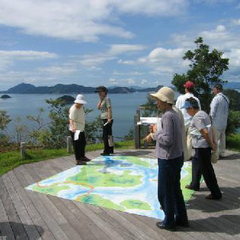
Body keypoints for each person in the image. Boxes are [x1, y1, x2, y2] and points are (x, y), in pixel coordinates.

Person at [145, 87, 188, 231]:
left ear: (164, 101)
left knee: (164, 192)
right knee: (175, 189)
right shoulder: (174, 114)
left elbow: (168, 140)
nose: (156, 103)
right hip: (176, 157)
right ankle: (181, 218)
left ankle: (169, 221)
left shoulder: (167, 116)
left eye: (158, 100)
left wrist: (155, 134)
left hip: (168, 159)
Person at [182, 97, 222, 200]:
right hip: (200, 147)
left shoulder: (197, 117)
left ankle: (216, 193)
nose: (186, 112)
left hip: (202, 147)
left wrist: (211, 144)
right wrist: (212, 141)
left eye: (187, 109)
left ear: (191, 108)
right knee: (196, 163)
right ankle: (195, 184)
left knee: (207, 171)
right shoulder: (204, 113)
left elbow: (205, 132)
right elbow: (210, 128)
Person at [176, 81, 201, 161]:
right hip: (192, 121)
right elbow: (199, 111)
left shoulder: (180, 98)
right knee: (190, 139)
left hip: (181, 121)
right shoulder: (196, 99)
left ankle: (181, 155)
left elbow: (176, 109)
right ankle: (187, 156)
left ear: (186, 88)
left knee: (182, 139)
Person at [69, 94, 90, 165]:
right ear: (77, 102)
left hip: (81, 128)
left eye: (82, 103)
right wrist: (73, 127)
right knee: (77, 144)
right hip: (76, 130)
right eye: (80, 103)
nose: (81, 105)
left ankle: (82, 156)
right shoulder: (73, 109)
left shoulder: (81, 107)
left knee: (83, 143)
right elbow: (71, 120)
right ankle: (78, 159)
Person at [210, 83, 229, 158]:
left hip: (217, 122)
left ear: (217, 89)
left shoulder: (216, 98)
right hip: (224, 122)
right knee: (222, 138)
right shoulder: (226, 99)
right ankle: (222, 153)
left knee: (215, 139)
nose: (213, 90)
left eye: (214, 89)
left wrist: (211, 119)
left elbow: (213, 111)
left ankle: (215, 154)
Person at [95, 86, 114, 156]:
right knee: (109, 135)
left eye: (100, 92)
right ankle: (110, 149)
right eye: (98, 92)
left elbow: (109, 108)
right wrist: (100, 100)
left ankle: (107, 151)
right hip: (104, 118)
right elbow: (98, 107)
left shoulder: (107, 99)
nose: (99, 93)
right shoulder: (102, 100)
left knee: (106, 135)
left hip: (107, 118)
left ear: (104, 92)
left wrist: (109, 118)